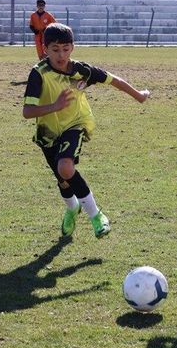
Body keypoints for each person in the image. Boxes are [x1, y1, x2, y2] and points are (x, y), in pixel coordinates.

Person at [22, 23, 150, 238]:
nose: (61, 55)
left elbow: (114, 80)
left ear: (73, 47)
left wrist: (138, 95)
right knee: (63, 179)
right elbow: (27, 111)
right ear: (45, 49)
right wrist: (54, 106)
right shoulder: (39, 74)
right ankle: (72, 208)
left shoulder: (82, 70)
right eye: (55, 49)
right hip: (48, 132)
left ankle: (96, 215)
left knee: (65, 167)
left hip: (76, 124)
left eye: (65, 49)